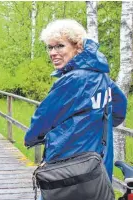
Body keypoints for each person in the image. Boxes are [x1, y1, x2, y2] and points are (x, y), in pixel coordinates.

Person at [24, 19, 127, 188]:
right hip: (98, 165)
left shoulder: (72, 80)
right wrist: (97, 123)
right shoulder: (103, 78)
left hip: (69, 167)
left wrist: (30, 139)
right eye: (50, 47)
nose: (53, 52)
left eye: (60, 46)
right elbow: (120, 108)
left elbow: (42, 118)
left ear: (78, 47)